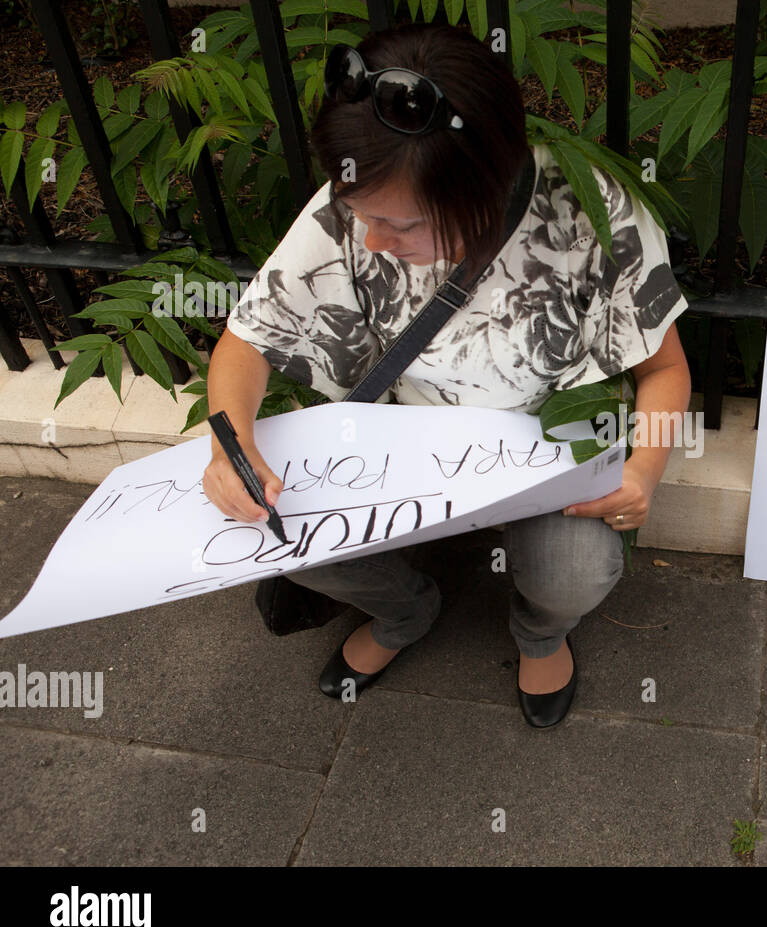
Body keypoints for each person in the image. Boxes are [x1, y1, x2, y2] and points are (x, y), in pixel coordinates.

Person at [201, 23, 691, 728]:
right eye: (358, 214)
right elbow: (245, 343)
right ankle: (405, 610)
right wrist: (230, 444)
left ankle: (540, 632)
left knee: (576, 570)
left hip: (550, 444)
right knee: (275, 532)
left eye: (400, 226)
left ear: (481, 193)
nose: (371, 240)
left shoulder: (591, 213)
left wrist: (643, 472)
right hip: (408, 441)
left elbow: (666, 366)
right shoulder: (363, 200)